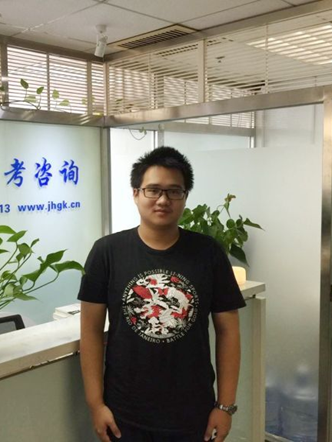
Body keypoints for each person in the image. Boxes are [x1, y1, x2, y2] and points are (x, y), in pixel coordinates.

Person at [78, 146, 246, 442]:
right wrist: (96, 404)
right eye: (153, 190)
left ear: (185, 196)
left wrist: (225, 406)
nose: (163, 200)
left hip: (193, 412)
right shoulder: (107, 252)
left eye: (174, 191)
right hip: (124, 412)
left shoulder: (208, 253)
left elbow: (228, 331)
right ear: (136, 193)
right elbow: (90, 331)